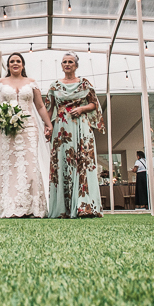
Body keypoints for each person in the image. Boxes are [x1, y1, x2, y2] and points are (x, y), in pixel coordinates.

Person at [0, 52, 53, 218]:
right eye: (11, 61)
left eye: (18, 61)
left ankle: (31, 207)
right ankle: (8, 206)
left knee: (29, 165)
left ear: (23, 65)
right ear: (8, 66)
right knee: (8, 165)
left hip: (29, 127)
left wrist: (48, 123)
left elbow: (39, 106)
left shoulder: (31, 83)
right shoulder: (0, 83)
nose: (15, 63)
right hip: (6, 128)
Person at [46, 52, 104, 218]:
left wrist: (82, 108)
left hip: (81, 126)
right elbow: (49, 109)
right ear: (61, 65)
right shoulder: (54, 86)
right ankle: (62, 209)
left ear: (76, 65)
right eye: (64, 62)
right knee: (62, 163)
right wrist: (48, 127)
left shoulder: (85, 84)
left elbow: (95, 104)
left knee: (83, 162)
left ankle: (84, 207)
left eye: (70, 62)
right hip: (62, 128)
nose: (67, 64)